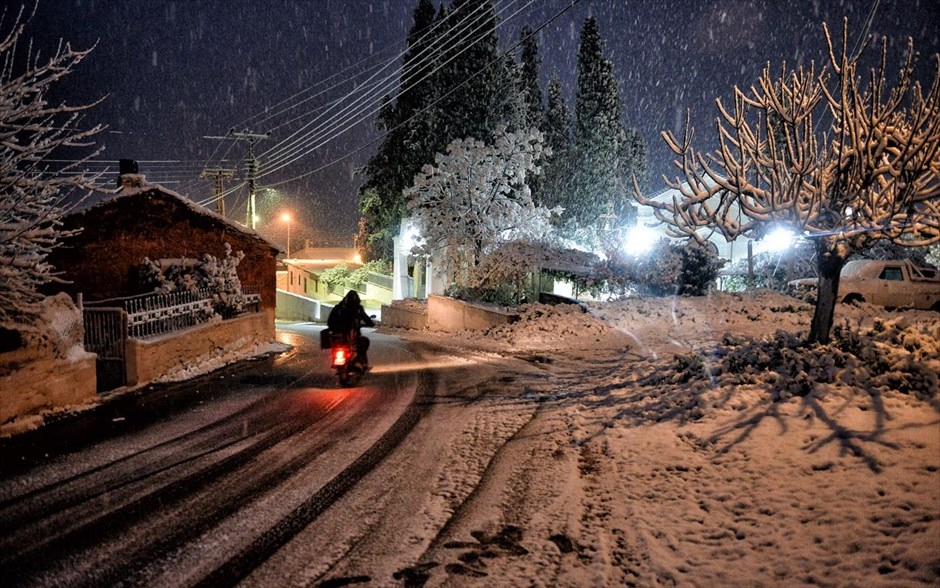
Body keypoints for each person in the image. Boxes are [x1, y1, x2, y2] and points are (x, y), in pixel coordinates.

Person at [327, 290, 375, 367]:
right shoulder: (358, 309)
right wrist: (370, 323)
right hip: (349, 339)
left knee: (336, 345)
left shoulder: (338, 308)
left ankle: (355, 361)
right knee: (364, 342)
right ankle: (362, 361)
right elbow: (366, 318)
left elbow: (329, 322)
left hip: (338, 337)